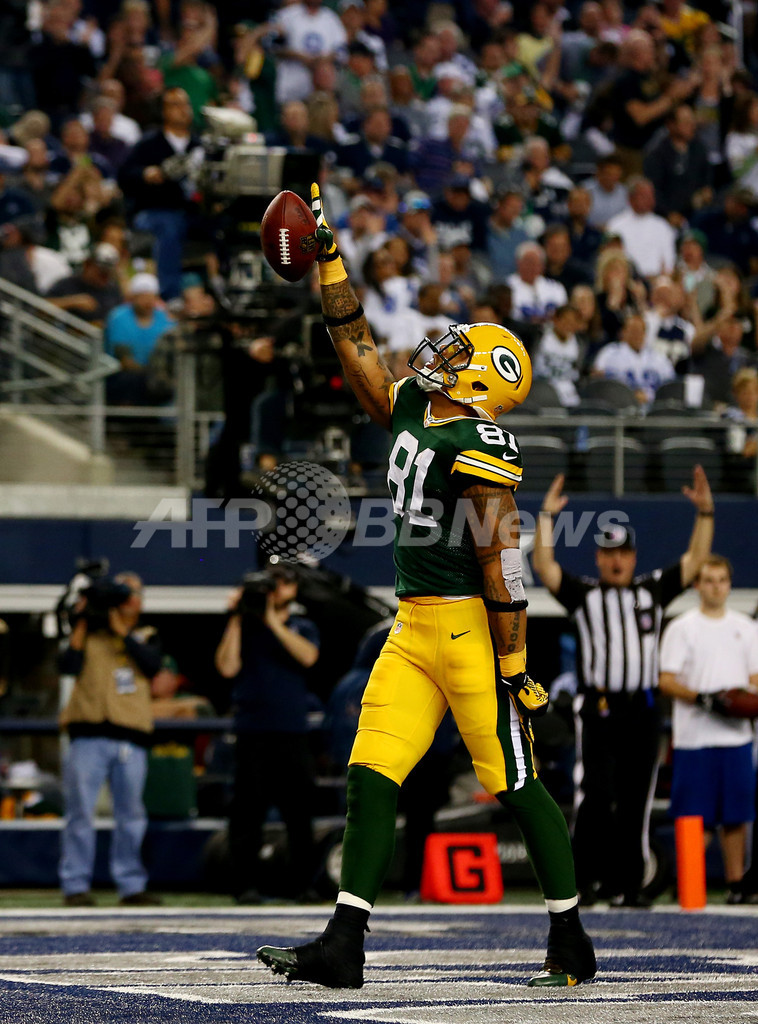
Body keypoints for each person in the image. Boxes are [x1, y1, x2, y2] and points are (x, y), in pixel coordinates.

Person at [257, 182, 597, 990]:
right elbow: (355, 349)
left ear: (483, 385)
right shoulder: (416, 403)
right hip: (412, 629)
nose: (441, 354)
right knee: (370, 773)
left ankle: (571, 937)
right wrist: (330, 263)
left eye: (460, 354)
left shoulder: (482, 442)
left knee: (515, 784)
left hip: (469, 632)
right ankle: (345, 943)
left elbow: (501, 559)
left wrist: (515, 664)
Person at [532, 469, 714, 907]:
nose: (617, 562)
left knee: (636, 799)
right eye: (610, 554)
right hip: (599, 708)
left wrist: (706, 512)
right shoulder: (585, 595)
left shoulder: (652, 590)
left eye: (624, 554)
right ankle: (584, 882)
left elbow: (694, 561)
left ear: (633, 557)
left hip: (643, 709)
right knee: (595, 795)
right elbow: (545, 568)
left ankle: (628, 885)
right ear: (599, 558)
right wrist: (546, 518)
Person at [214, 563, 321, 903]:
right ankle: (245, 886)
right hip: (252, 732)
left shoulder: (303, 625)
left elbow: (308, 657)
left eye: (285, 582)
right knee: (247, 811)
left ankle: (302, 886)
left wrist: (273, 620)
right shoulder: (244, 626)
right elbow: (227, 667)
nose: (276, 588)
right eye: (272, 581)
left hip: (291, 732)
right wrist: (237, 616)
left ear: (294, 588)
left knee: (299, 812)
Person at [58, 572, 163, 907]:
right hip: (87, 733)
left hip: (130, 735)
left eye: (132, 593)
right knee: (80, 813)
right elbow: (67, 665)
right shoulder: (88, 634)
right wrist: (82, 619)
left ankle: (131, 884)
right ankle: (75, 884)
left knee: (131, 815)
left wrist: (121, 631)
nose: (126, 599)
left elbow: (152, 666)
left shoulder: (146, 634)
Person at [659, 555, 758, 904]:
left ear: (729, 585)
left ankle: (736, 885)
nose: (716, 587)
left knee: (736, 816)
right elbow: (666, 680)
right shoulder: (682, 627)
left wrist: (737, 701)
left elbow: (754, 678)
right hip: (694, 738)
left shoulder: (746, 627)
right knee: (693, 815)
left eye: (722, 580)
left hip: (736, 737)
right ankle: (687, 882)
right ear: (697, 585)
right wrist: (703, 698)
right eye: (709, 580)